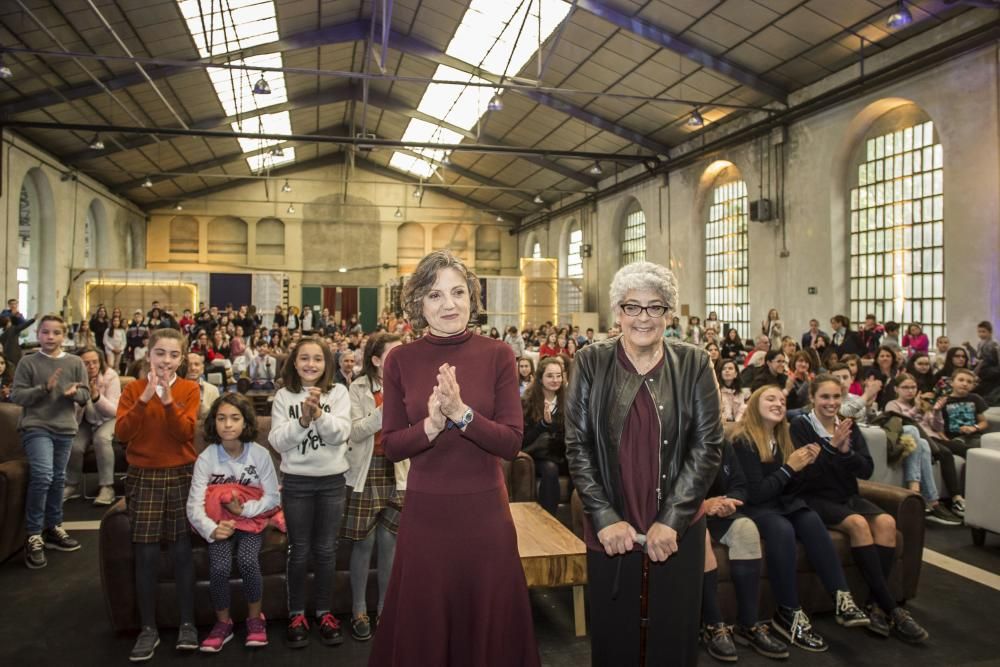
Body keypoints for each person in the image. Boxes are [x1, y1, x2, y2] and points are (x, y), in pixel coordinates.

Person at [370, 250, 540, 666]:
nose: (449, 304)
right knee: (426, 625)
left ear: (472, 298)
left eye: (458, 292)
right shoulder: (400, 360)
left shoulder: (498, 354)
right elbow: (391, 445)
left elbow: (511, 444)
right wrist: (430, 426)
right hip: (426, 514)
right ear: (417, 305)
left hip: (485, 514)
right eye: (435, 295)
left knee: (488, 626)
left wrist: (462, 414)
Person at [566, 261, 722, 667]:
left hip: (678, 526)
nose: (643, 318)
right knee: (614, 638)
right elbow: (578, 447)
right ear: (617, 312)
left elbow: (708, 447)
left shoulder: (694, 363)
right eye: (632, 307)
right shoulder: (590, 362)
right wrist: (603, 516)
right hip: (610, 525)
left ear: (669, 315)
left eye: (655, 307)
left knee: (673, 638)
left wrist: (672, 519)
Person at [790, 375, 928, 643]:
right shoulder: (801, 426)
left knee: (887, 523)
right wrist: (832, 448)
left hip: (847, 495)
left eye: (835, 397)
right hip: (815, 497)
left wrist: (845, 453)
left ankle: (875, 605)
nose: (831, 403)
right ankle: (893, 609)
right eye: (824, 397)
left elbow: (866, 469)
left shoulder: (848, 426)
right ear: (812, 399)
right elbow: (807, 475)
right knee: (858, 524)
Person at [732, 386, 868, 653]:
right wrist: (789, 468)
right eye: (771, 399)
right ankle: (788, 610)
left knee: (809, 517)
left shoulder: (785, 439)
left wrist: (814, 461)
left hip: (781, 502)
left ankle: (842, 597)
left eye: (782, 400)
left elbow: (794, 488)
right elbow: (756, 494)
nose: (779, 403)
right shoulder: (743, 440)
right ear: (755, 404)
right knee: (781, 529)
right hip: (755, 507)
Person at [114, 328, 201, 661]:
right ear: (148, 354)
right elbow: (123, 434)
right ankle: (147, 628)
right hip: (143, 476)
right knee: (147, 555)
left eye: (174, 354)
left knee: (181, 551)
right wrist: (146, 397)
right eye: (160, 353)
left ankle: (187, 623)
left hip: (180, 475)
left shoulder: (190, 389)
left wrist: (166, 400)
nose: (166, 360)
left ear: (182, 358)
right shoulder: (133, 389)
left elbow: (185, 432)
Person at [269, 336, 352, 649]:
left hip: (332, 482)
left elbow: (340, 435)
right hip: (297, 483)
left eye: (317, 359)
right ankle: (296, 613)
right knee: (299, 550)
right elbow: (278, 442)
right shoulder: (283, 396)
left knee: (327, 550)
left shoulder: (339, 392)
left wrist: (318, 415)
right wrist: (302, 419)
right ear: (294, 362)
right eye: (304, 358)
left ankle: (324, 612)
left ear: (326, 363)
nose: (311, 364)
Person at [186, 393, 280, 653]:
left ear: (245, 423)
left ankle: (255, 620)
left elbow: (273, 497)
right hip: (219, 525)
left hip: (251, 521)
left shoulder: (259, 454)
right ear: (213, 423)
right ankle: (222, 623)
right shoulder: (207, 458)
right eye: (221, 418)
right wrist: (212, 529)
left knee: (249, 561)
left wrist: (245, 510)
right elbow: (193, 504)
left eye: (235, 418)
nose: (228, 424)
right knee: (219, 568)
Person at [11, 315, 90, 569]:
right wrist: (43, 389)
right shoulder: (28, 362)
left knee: (58, 478)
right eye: (45, 332)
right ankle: (34, 533)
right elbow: (17, 396)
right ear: (38, 334)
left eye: (56, 332)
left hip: (65, 428)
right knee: (43, 475)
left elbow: (86, 394)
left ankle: (53, 527)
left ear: (63, 335)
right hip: (36, 426)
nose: (50, 337)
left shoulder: (75, 362)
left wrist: (74, 393)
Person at [699, 439, 789, 662]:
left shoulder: (723, 444)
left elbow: (740, 485)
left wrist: (731, 501)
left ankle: (748, 624)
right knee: (700, 537)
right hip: (689, 514)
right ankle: (713, 625)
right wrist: (703, 505)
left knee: (747, 529)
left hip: (721, 512)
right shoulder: (678, 436)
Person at [344, 333, 406, 641]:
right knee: (363, 543)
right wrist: (382, 414)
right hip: (366, 470)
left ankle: (385, 609)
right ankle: (358, 610)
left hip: (399, 471)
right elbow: (353, 433)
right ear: (377, 360)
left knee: (389, 543)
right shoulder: (357, 388)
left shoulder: (410, 385)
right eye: (393, 355)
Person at [882, 374, 962, 525]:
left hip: (930, 439)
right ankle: (930, 500)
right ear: (896, 389)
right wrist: (915, 409)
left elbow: (937, 427)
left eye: (913, 387)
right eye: (905, 387)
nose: (910, 391)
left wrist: (937, 411)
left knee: (927, 443)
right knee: (918, 437)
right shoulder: (892, 404)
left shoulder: (924, 403)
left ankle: (930, 500)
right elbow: (899, 423)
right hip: (906, 438)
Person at [64, 347, 121, 506]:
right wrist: (80, 400)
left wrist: (96, 397)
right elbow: (73, 416)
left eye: (95, 362)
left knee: (101, 438)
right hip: (85, 420)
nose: (92, 366)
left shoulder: (111, 376)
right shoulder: (73, 379)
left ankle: (107, 487)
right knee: (74, 444)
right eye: (86, 363)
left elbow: (114, 411)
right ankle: (71, 484)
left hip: (109, 419)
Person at [521, 357, 567, 517]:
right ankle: (549, 521)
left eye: (558, 375)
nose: (555, 380)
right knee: (550, 469)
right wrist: (543, 425)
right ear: (540, 378)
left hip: (563, 454)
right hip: (540, 455)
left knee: (581, 469)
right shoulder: (527, 402)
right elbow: (522, 441)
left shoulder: (570, 400)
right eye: (550, 376)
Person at [185, 352, 219, 422]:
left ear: (202, 369)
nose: (193, 368)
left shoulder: (213, 390)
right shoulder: (174, 388)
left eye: (196, 364)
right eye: (189, 365)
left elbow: (217, 418)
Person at [717, 358, 747, 423]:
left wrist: (736, 424)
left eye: (730, 368)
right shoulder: (715, 391)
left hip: (735, 425)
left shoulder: (740, 392)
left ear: (736, 374)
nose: (727, 371)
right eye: (724, 369)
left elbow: (741, 412)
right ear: (720, 373)